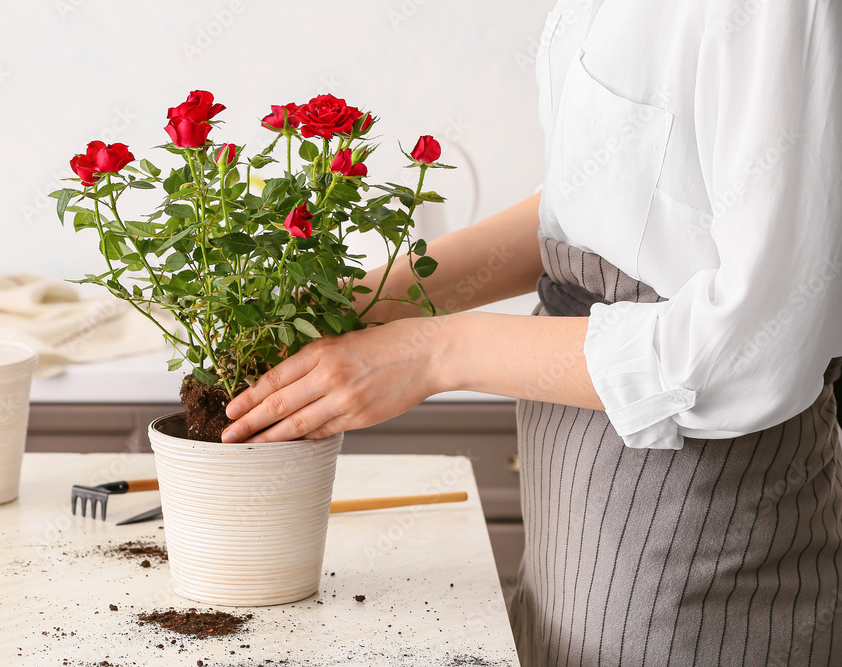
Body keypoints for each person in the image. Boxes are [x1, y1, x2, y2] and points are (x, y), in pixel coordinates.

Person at [222, 0, 842, 663]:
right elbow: (599, 207)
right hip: (573, 527)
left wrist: (435, 353)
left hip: (697, 553)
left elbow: (753, 348)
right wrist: (372, 299)